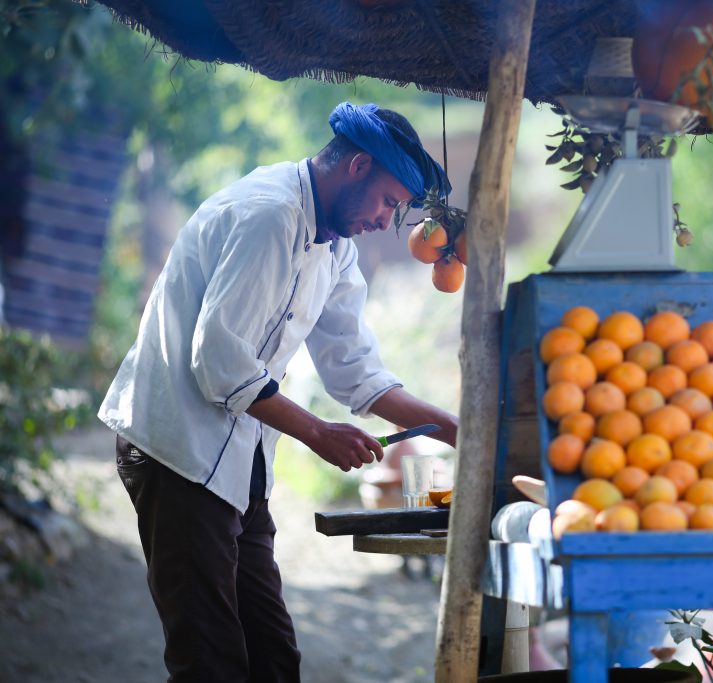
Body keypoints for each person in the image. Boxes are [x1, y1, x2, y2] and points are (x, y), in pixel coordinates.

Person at [98, 101, 459, 682]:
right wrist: (318, 433)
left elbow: (355, 369)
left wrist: (456, 431)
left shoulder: (336, 247)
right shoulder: (269, 215)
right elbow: (218, 360)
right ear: (358, 167)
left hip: (238, 464)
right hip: (177, 452)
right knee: (209, 662)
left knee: (272, 658)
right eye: (389, 203)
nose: (384, 221)